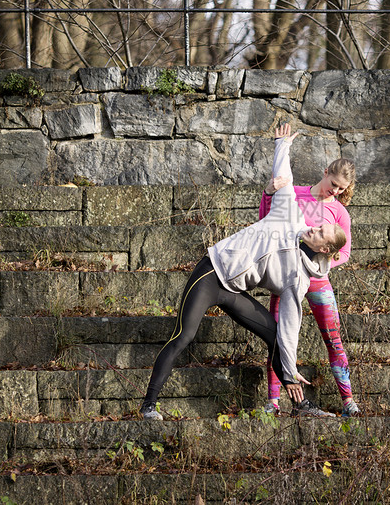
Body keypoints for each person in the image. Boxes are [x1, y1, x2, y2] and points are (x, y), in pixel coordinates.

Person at [139, 124, 346, 420]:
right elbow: (284, 179)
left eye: (320, 232)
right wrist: (281, 144)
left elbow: (289, 328)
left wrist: (290, 369)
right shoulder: (291, 216)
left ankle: (301, 406)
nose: (314, 227)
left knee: (276, 336)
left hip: (235, 290)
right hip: (212, 272)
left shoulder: (299, 279)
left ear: (324, 249)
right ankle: (149, 405)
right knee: (184, 335)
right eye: (318, 225)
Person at [259, 149, 360, 417]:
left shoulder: (339, 212)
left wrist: (317, 267)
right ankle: (273, 401)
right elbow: (266, 222)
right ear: (325, 173)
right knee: (277, 339)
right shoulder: (295, 194)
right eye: (333, 184)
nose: (336, 191)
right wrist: (268, 194)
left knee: (333, 339)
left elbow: (345, 252)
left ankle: (348, 401)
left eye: (342, 188)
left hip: (317, 282)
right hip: (287, 279)